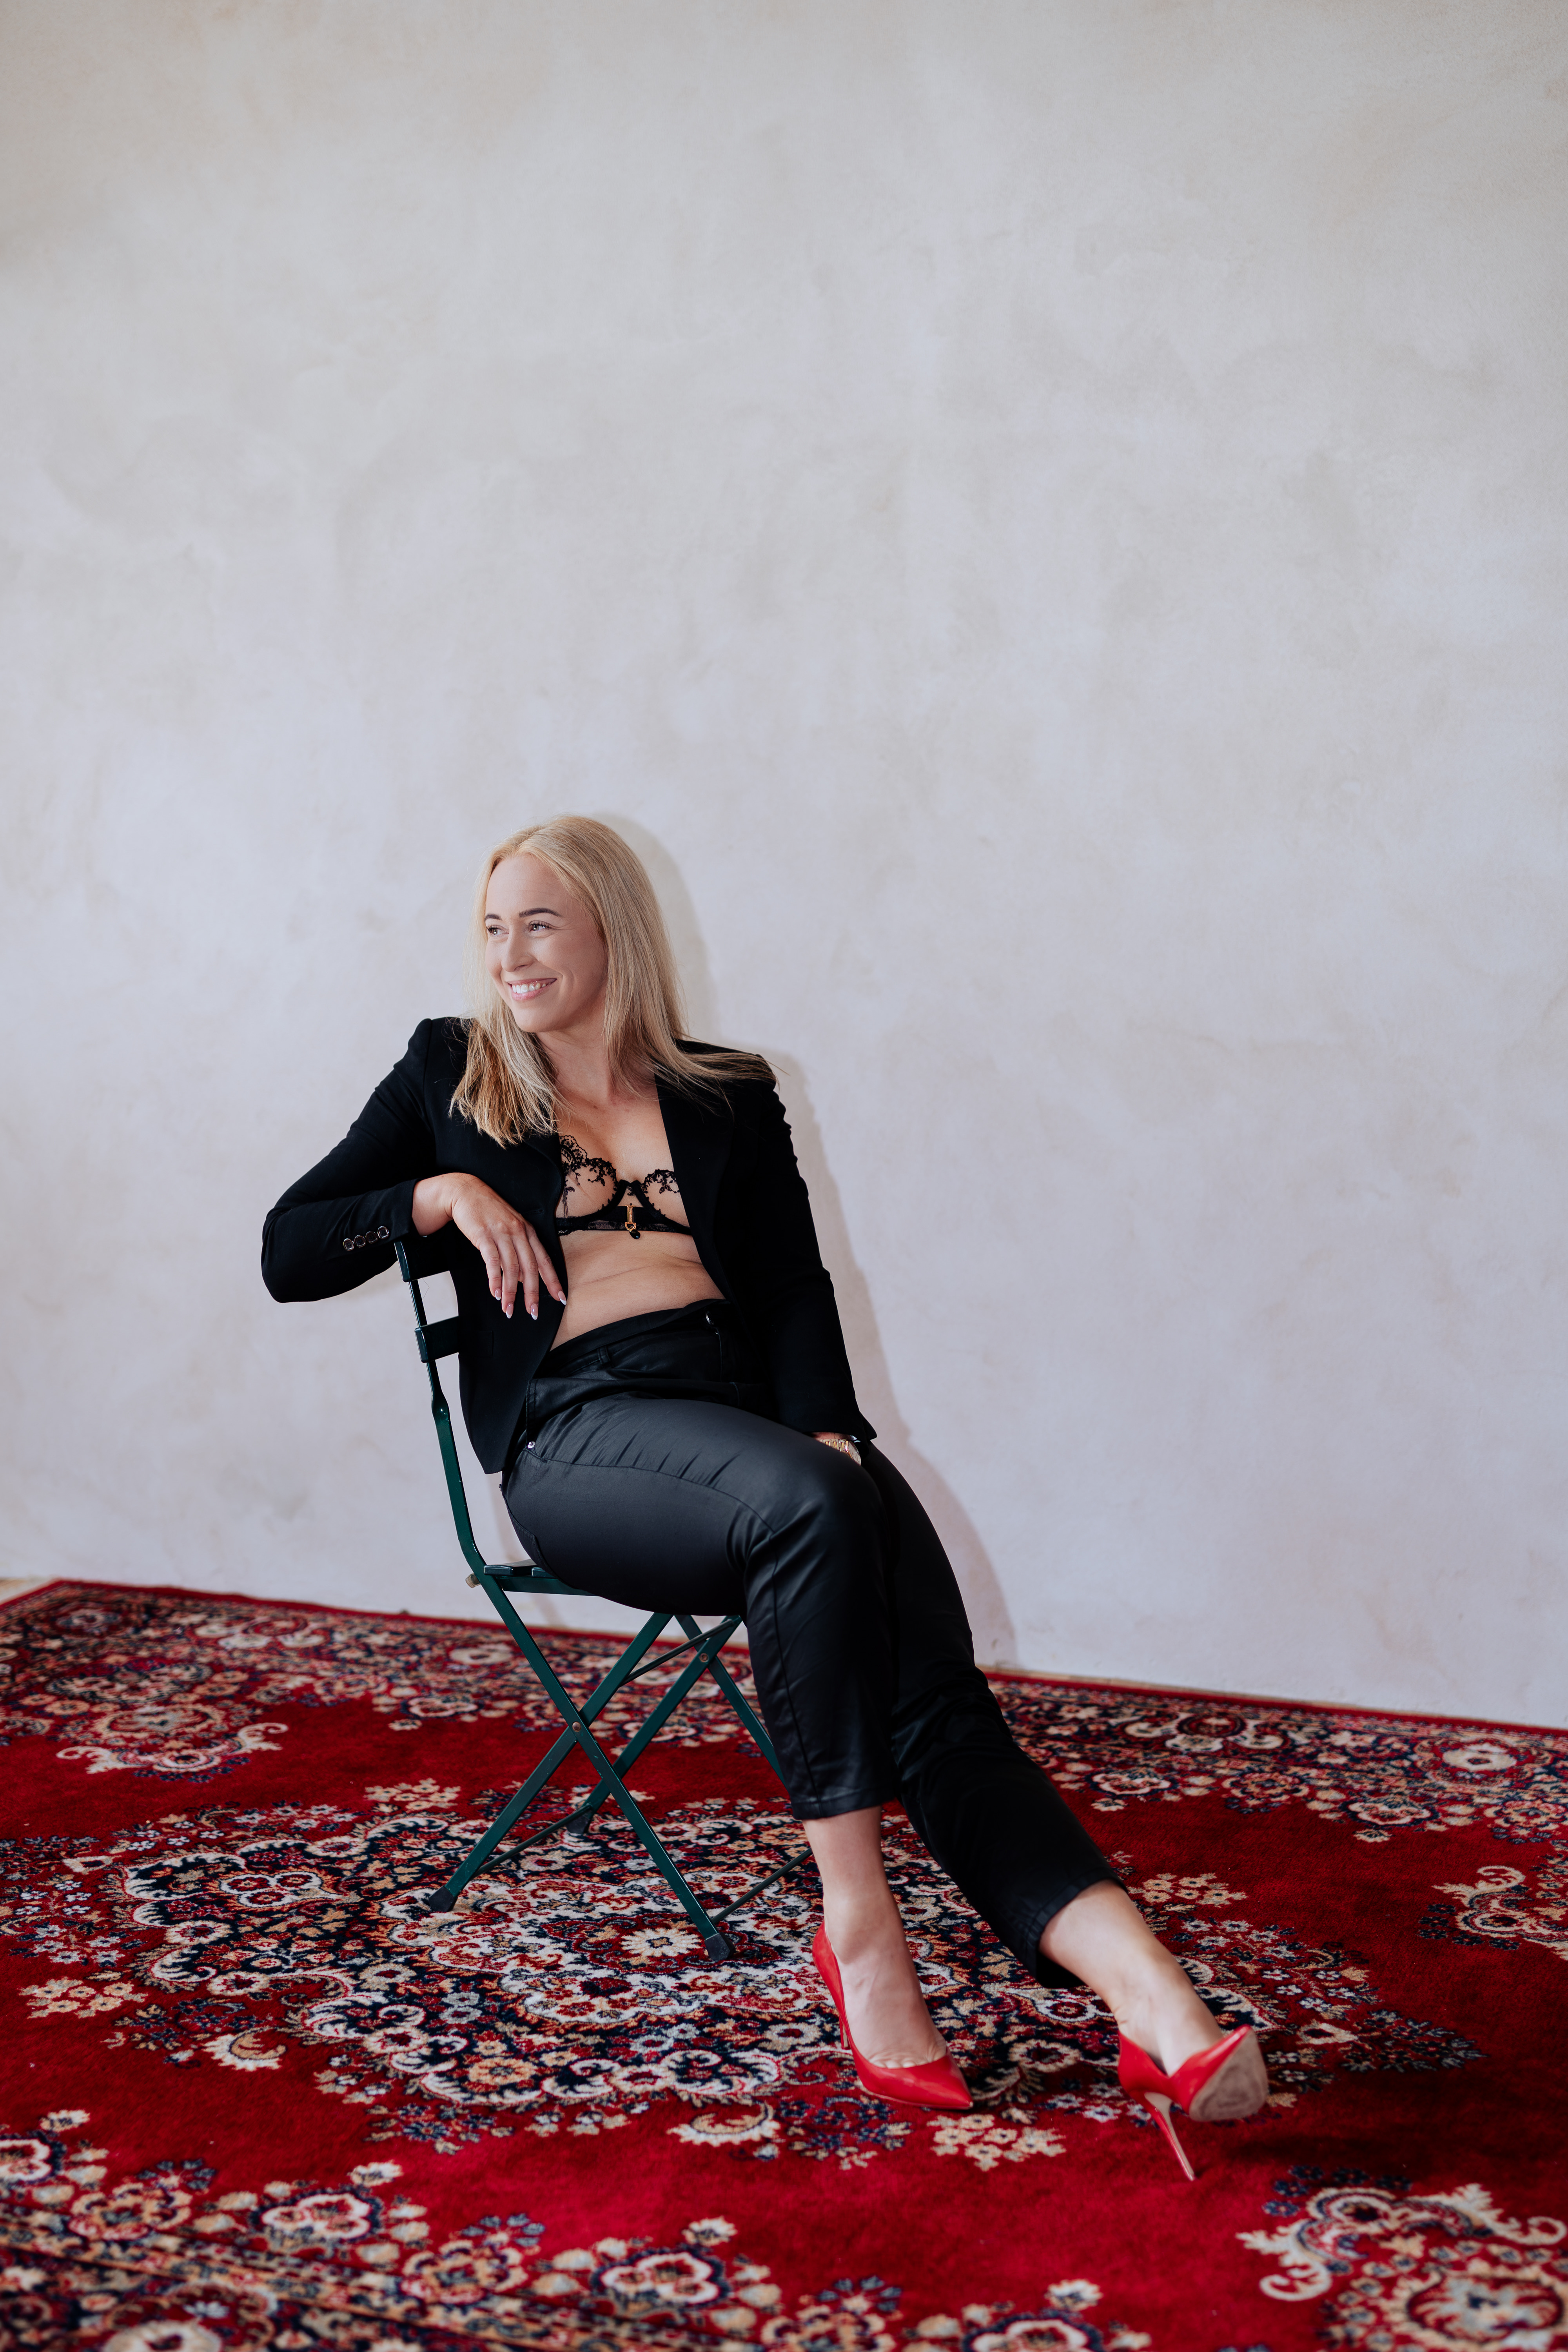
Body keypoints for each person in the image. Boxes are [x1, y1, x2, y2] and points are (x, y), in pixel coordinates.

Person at [262, 816, 1268, 2173]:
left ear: (614, 930)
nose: (511, 955)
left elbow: (793, 1284)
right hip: (584, 1436)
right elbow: (288, 1249)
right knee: (807, 1505)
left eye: (541, 923)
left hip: (756, 1427)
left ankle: (1154, 1999)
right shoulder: (452, 1069)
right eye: (494, 928)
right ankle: (860, 1926)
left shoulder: (728, 1090)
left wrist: (832, 1429)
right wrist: (436, 1196)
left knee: (935, 1697)